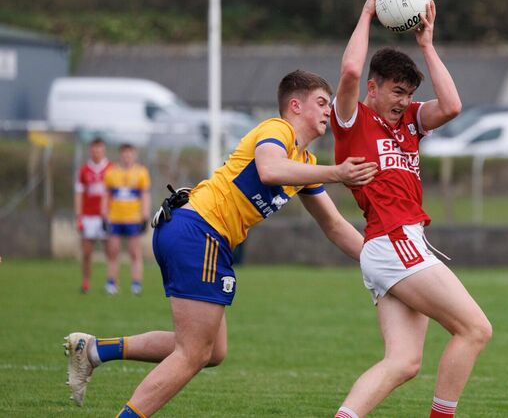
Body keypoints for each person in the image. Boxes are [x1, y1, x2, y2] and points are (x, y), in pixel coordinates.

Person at [63, 70, 377, 415]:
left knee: (210, 351)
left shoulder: (304, 163)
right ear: (295, 105)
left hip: (198, 234)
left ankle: (93, 350)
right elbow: (270, 169)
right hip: (199, 231)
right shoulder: (278, 130)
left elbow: (333, 225)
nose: (328, 111)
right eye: (321, 103)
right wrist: (337, 172)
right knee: (194, 352)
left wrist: (379, 260)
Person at [330, 0, 492, 418]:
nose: (404, 102)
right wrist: (366, 13)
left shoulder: (411, 126)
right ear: (373, 88)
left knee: (403, 363)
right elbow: (347, 72)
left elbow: (453, 105)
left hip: (396, 244)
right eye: (396, 92)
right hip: (393, 240)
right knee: (475, 329)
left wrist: (427, 43)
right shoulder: (353, 120)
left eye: (408, 93)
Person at [102, 143, 151, 295]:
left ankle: (136, 284)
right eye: (124, 153)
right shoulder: (111, 172)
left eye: (129, 153)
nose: (127, 156)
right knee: (113, 251)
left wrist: (145, 216)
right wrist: (104, 214)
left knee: (134, 252)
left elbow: (145, 195)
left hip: (133, 219)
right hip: (115, 218)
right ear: (120, 155)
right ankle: (111, 283)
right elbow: (106, 195)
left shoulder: (141, 172)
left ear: (134, 155)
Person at [74, 137, 112, 294]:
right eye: (94, 149)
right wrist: (79, 216)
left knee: (109, 251)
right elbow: (78, 194)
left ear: (103, 150)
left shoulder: (111, 169)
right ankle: (86, 282)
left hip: (105, 216)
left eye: (99, 149)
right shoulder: (83, 170)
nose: (96, 152)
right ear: (90, 150)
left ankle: (110, 282)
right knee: (87, 252)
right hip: (88, 215)